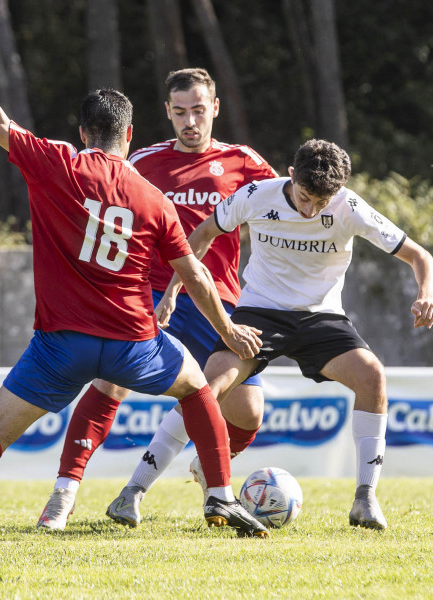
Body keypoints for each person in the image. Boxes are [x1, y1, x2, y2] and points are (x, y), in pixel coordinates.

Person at [0, 26, 269, 545]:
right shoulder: (152, 197)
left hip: (60, 347)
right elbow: (193, 273)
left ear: (82, 132)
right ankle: (220, 497)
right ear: (130, 136)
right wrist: (229, 331)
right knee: (195, 389)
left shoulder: (56, 164)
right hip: (134, 344)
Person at [119, 139, 433, 530]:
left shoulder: (349, 206)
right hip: (260, 314)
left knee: (372, 376)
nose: (310, 210)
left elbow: (420, 256)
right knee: (208, 387)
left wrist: (426, 294)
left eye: (321, 202)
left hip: (321, 319)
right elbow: (200, 236)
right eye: (305, 197)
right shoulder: (256, 195)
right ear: (290, 176)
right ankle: (133, 491)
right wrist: (172, 292)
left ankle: (364, 499)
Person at [35, 68, 278, 531]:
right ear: (167, 112)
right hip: (146, 296)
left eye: (199, 111)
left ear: (215, 109)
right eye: (180, 112)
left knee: (247, 415)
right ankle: (65, 493)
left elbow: (283, 206)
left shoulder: (244, 161)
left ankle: (208, 470)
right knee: (111, 385)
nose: (190, 121)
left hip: (217, 300)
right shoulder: (142, 161)